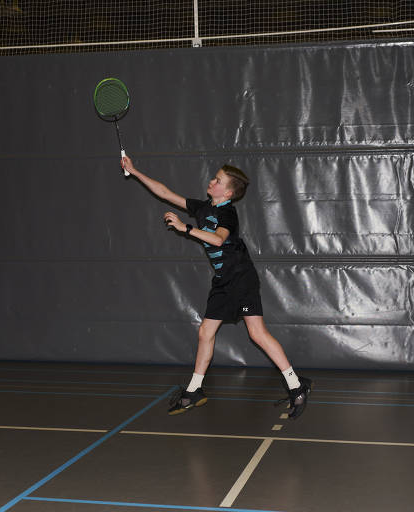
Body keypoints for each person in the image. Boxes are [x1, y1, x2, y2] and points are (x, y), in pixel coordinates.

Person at [121, 155, 311, 419]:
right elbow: (164, 192)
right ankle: (195, 390)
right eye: (214, 177)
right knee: (205, 332)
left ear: (229, 192)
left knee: (256, 334)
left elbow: (219, 240)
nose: (211, 181)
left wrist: (185, 228)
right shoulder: (202, 207)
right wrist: (135, 171)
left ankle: (296, 386)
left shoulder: (227, 213)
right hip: (223, 280)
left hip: (241, 278)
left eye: (217, 180)